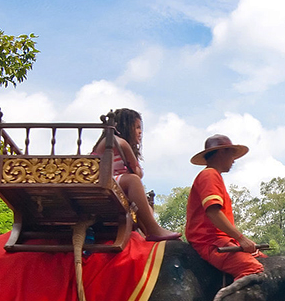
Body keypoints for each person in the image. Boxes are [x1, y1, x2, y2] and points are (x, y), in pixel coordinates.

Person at [93, 108, 180, 241]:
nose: (140, 132)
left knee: (147, 209)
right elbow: (138, 173)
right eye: (137, 127)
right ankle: (153, 229)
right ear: (125, 127)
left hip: (113, 181)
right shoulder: (118, 142)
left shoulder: (115, 142)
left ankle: (149, 234)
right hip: (103, 180)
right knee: (133, 180)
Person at [185, 134, 265, 279]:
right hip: (210, 242)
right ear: (222, 152)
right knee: (253, 269)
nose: (234, 160)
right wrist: (241, 238)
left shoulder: (214, 175)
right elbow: (213, 212)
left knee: (265, 261)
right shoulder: (209, 175)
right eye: (232, 154)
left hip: (222, 241)